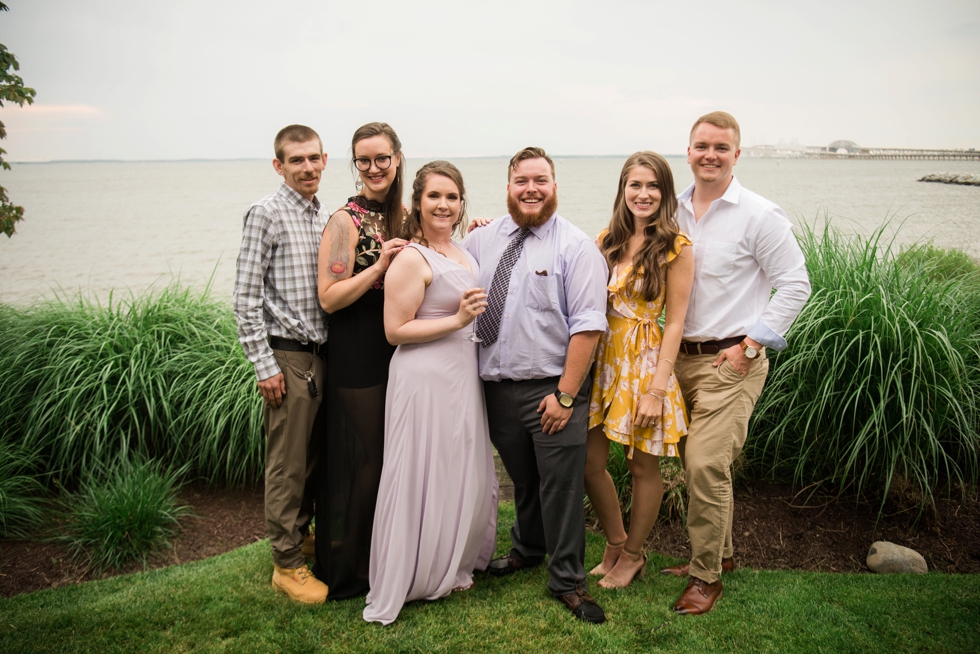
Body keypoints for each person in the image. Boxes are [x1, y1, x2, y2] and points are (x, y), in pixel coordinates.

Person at [661, 111, 811, 615]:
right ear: (688, 152)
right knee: (696, 463)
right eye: (701, 145)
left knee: (706, 465)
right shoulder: (672, 211)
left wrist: (750, 347)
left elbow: (795, 284)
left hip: (732, 361)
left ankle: (705, 579)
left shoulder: (759, 215)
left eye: (721, 148)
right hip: (678, 359)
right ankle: (718, 556)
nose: (710, 155)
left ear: (736, 155)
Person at [464, 147, 610, 624]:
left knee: (562, 488)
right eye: (522, 180)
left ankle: (567, 580)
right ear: (508, 186)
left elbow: (588, 327)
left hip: (552, 388)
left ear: (554, 186)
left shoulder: (576, 247)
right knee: (523, 481)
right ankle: (527, 547)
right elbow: (445, 271)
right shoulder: (482, 242)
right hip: (495, 388)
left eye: (541, 180)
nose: (531, 188)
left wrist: (566, 394)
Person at [363, 161, 499, 625]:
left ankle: (452, 563)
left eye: (452, 197)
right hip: (422, 377)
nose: (443, 205)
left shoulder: (462, 249)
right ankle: (415, 572)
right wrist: (457, 321)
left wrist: (482, 228)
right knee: (420, 468)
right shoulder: (410, 258)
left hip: (461, 373)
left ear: (462, 204)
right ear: (417, 202)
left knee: (455, 465)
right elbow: (395, 330)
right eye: (434, 196)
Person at [584, 152, 694, 589]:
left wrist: (657, 388)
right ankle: (615, 541)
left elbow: (678, 321)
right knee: (589, 463)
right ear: (623, 189)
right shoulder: (605, 240)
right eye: (636, 185)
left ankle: (633, 556)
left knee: (643, 468)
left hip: (646, 367)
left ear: (665, 194)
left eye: (653, 187)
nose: (643, 194)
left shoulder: (675, 247)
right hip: (602, 362)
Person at [233, 124, 330, 604]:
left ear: (325, 160)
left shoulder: (322, 217)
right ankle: (286, 566)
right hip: (287, 357)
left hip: (319, 357)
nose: (307, 167)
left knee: (312, 461)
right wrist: (264, 365)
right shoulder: (267, 214)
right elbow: (244, 299)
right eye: (296, 160)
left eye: (313, 158)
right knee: (287, 466)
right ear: (279, 165)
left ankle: (301, 537)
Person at [313, 122, 409, 599]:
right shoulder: (344, 221)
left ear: (397, 158)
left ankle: (387, 552)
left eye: (381, 159)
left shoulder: (406, 218)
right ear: (355, 165)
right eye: (364, 160)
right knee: (372, 457)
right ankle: (351, 567)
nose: (373, 168)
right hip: (356, 355)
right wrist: (378, 266)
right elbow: (329, 299)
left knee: (391, 457)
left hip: (399, 352)